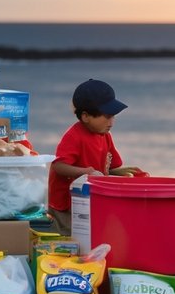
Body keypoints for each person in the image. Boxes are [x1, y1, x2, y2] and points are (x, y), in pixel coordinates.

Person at [47, 79, 129, 233]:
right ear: (85, 116)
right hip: (66, 205)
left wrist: (127, 175)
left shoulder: (105, 135)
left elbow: (113, 166)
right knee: (71, 237)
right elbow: (58, 166)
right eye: (106, 116)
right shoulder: (74, 136)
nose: (111, 122)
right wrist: (86, 172)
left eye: (113, 116)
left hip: (88, 200)